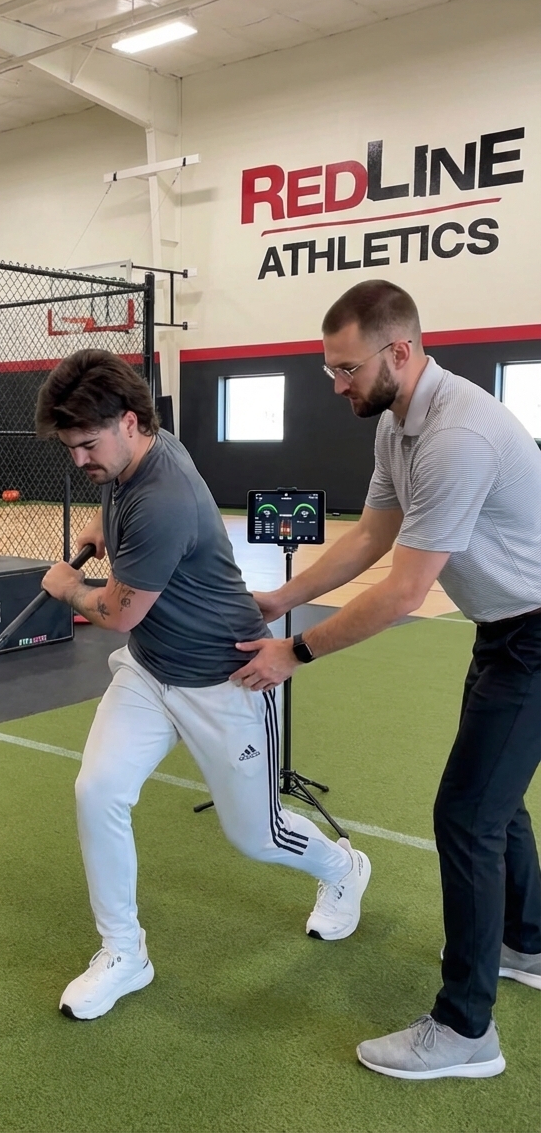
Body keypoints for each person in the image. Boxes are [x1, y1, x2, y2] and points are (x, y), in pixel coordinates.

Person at [233, 279, 541, 1081]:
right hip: (507, 627)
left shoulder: (456, 435)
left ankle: (466, 1031)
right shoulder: (398, 424)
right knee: (493, 800)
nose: (337, 385)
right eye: (330, 369)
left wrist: (294, 653)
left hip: (536, 633)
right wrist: (282, 599)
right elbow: (372, 534)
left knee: (467, 816)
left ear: (398, 352)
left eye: (347, 369)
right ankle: (528, 943)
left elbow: (404, 592)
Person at [36, 349, 370, 1021]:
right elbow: (119, 505)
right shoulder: (136, 455)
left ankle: (343, 869)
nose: (79, 460)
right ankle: (124, 952)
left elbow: (117, 613)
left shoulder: (162, 499)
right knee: (97, 790)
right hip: (152, 670)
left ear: (130, 422)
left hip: (227, 678)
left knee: (256, 836)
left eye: (88, 445)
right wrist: (103, 521)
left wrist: (67, 585)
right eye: (70, 447)